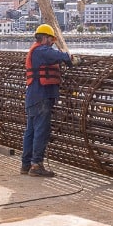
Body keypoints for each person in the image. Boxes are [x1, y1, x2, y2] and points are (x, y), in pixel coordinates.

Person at [21, 23, 75, 177]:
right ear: (44, 38)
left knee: (31, 131)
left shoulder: (37, 50)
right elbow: (56, 55)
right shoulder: (41, 50)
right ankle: (36, 165)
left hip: (34, 96)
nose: (52, 42)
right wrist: (69, 57)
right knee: (40, 131)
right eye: (51, 39)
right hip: (41, 96)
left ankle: (26, 165)